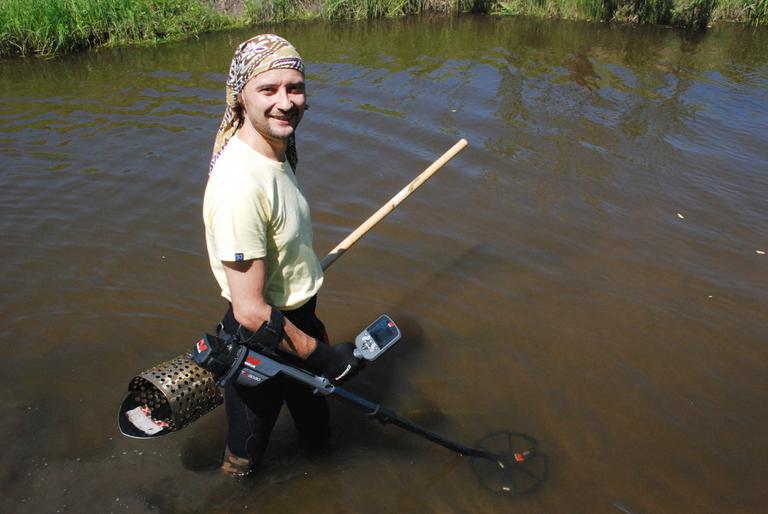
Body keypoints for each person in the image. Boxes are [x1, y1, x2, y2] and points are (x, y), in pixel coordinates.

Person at [203, 34, 363, 477]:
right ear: (241, 96)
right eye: (268, 89)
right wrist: (325, 357)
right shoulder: (240, 186)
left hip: (299, 321)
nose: (285, 102)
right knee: (244, 458)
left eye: (294, 88)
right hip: (262, 340)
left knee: (319, 433)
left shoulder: (276, 154)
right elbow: (250, 310)